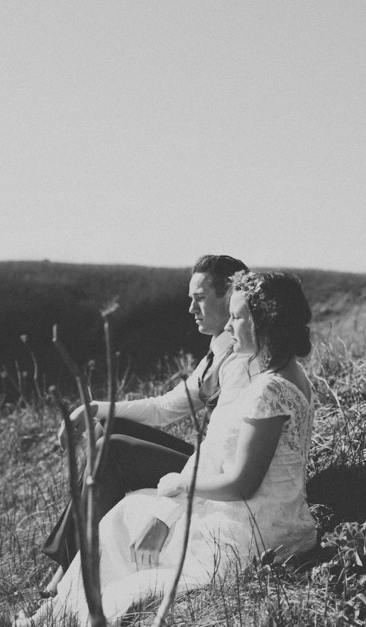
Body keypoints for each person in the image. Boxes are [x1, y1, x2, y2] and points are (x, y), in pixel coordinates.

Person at [25, 271, 318, 625]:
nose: (229, 325)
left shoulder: (265, 386)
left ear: (264, 321)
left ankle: (56, 614)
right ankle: (54, 611)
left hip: (247, 529)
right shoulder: (287, 374)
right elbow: (178, 416)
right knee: (126, 509)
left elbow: (243, 482)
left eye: (237, 317)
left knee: (122, 524)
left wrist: (177, 490)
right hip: (270, 517)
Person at [39, 254, 250, 596]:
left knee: (113, 448)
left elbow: (222, 446)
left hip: (214, 470)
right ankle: (70, 558)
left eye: (199, 298)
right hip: (206, 459)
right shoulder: (217, 351)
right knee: (110, 428)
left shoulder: (240, 357)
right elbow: (164, 408)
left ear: (229, 296)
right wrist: (94, 409)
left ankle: (72, 562)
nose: (191, 309)